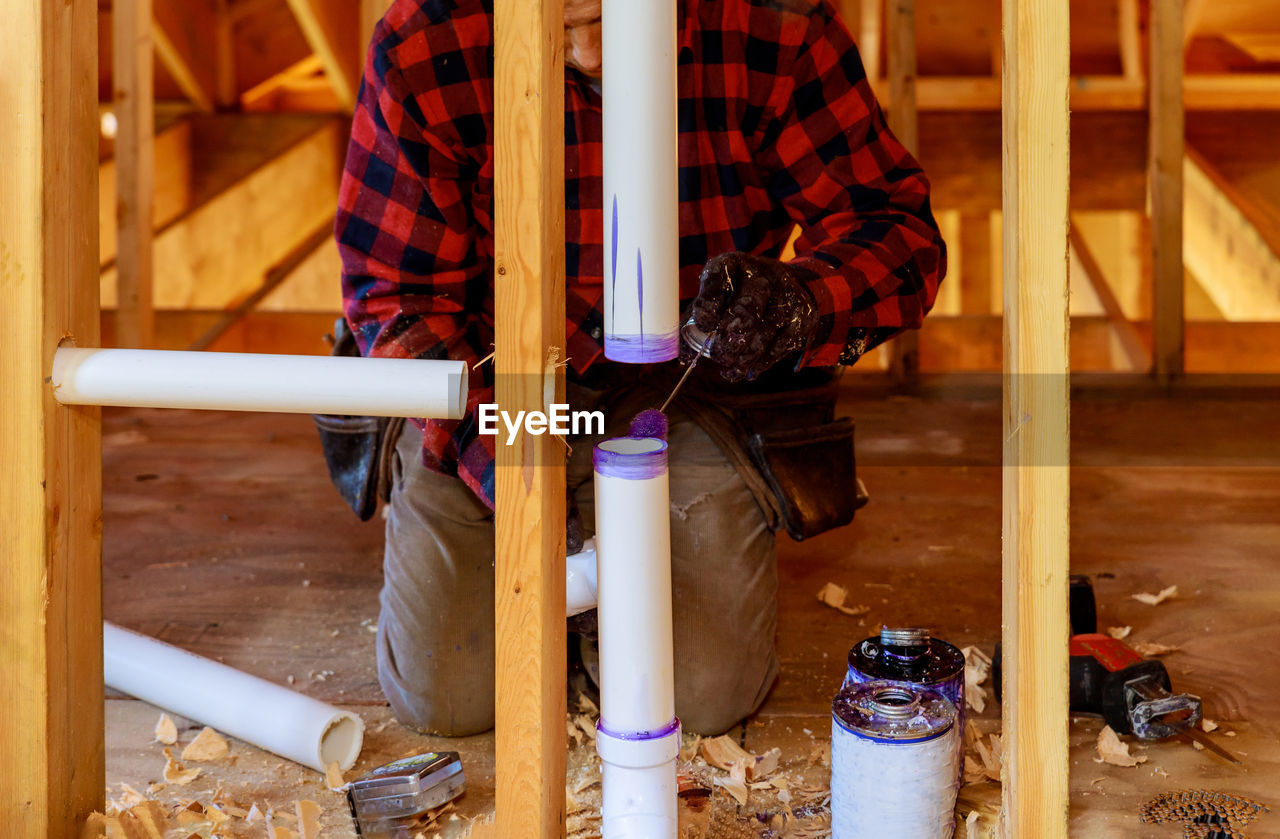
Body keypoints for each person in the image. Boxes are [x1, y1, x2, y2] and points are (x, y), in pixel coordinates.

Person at [335, 0, 945, 737]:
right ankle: (556, 570)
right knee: (452, 696)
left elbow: (898, 230)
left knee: (696, 697)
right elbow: (397, 295)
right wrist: (517, 468)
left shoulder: (774, 25)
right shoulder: (429, 40)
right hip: (493, 373)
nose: (592, 55)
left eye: (610, 20)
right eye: (562, 29)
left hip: (693, 382)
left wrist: (801, 302)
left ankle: (593, 590)